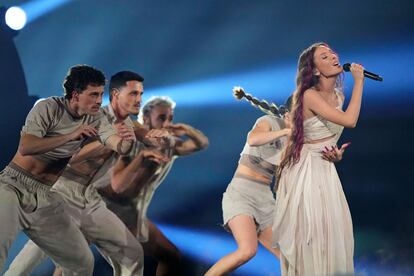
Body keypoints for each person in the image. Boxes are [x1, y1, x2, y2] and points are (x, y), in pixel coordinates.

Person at [4, 71, 171, 276]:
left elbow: (138, 139)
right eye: (133, 94)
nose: (139, 100)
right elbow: (59, 157)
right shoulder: (72, 112)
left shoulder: (121, 122)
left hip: (88, 199)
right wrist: (91, 141)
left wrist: (158, 138)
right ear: (116, 94)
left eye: (141, 94)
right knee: (30, 259)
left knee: (129, 254)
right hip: (56, 192)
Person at [272, 42, 364, 275]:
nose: (333, 56)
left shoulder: (339, 95)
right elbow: (350, 121)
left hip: (325, 169)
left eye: (333, 52)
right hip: (306, 170)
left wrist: (336, 153)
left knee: (334, 234)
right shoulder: (309, 95)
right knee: (315, 236)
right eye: (324, 56)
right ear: (314, 70)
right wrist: (360, 81)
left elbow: (329, 135)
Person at [98, 96, 209, 275]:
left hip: (134, 213)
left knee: (170, 256)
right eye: (162, 117)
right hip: (109, 208)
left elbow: (201, 144)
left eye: (170, 118)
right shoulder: (131, 140)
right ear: (147, 117)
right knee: (123, 263)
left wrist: (187, 129)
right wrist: (140, 160)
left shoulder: (168, 145)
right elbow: (116, 185)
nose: (166, 123)